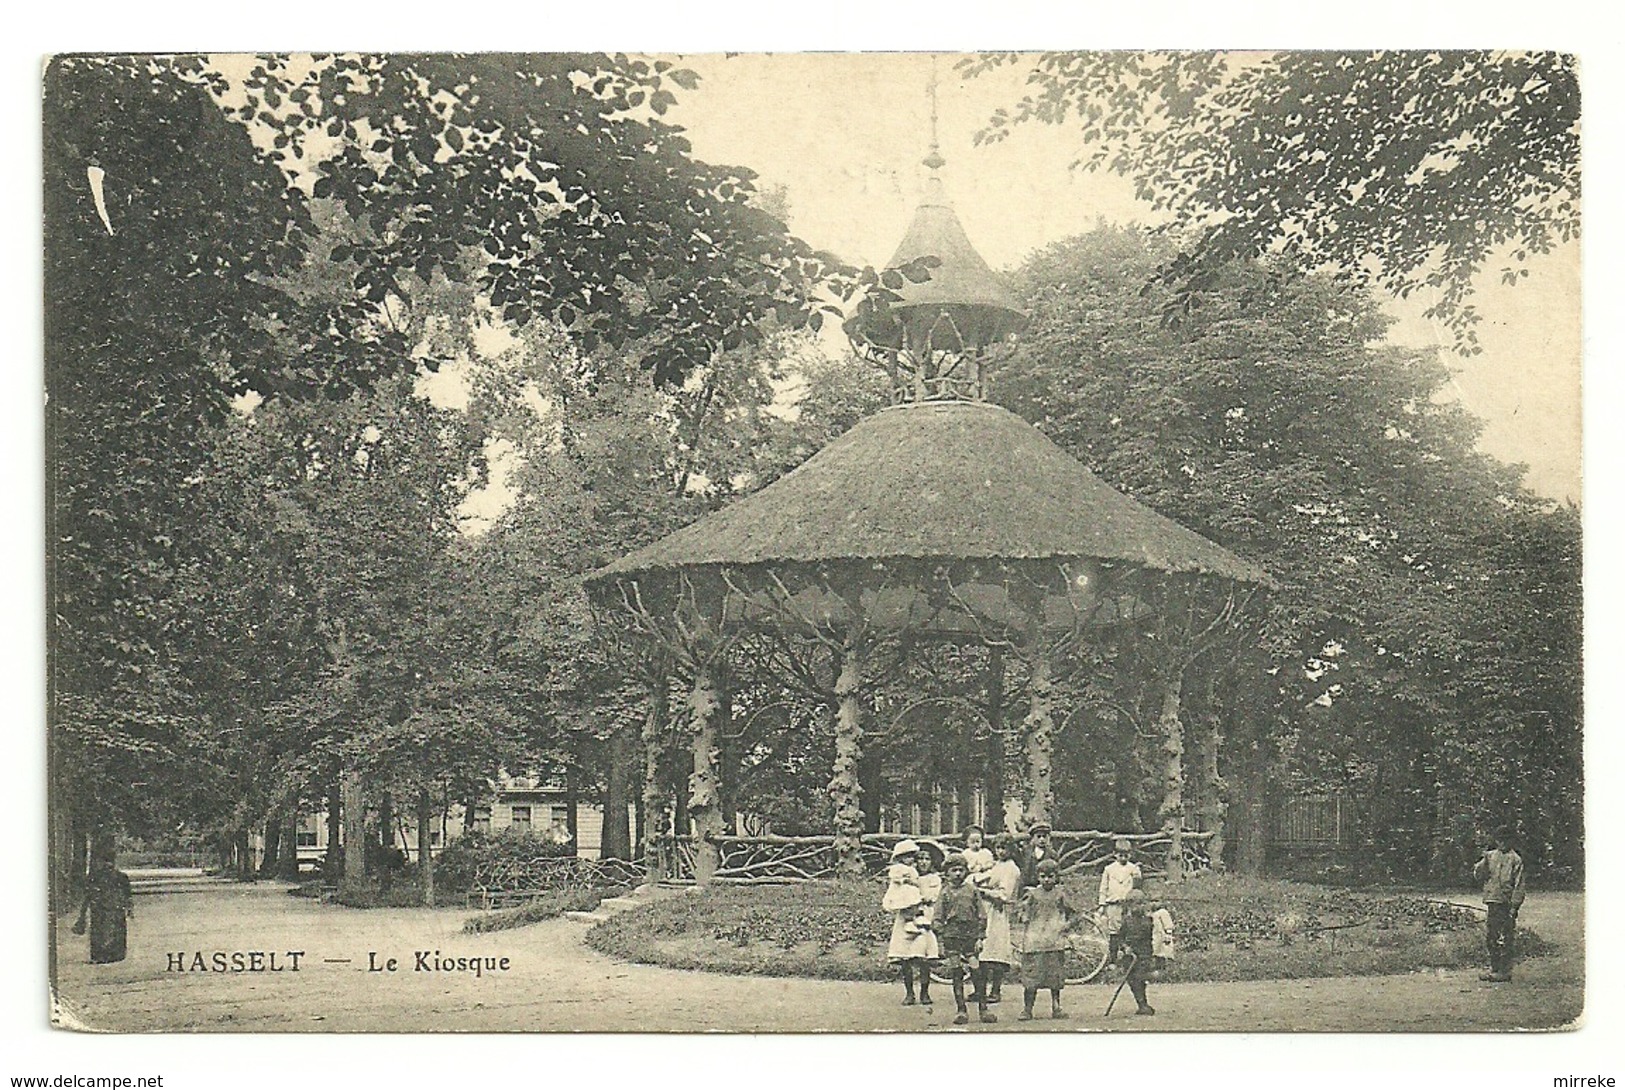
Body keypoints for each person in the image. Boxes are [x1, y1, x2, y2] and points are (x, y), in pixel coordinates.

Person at [935, 853, 995, 1024]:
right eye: (954, 870)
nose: (958, 874)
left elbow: (981, 915)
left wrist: (980, 937)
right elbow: (938, 917)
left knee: (976, 969)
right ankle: (961, 1010)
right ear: (947, 873)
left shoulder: (972, 890)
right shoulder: (945, 892)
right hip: (952, 936)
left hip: (970, 935)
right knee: (956, 972)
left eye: (961, 870)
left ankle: (983, 1009)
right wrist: (940, 937)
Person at [1016, 858, 1077, 1020]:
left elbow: (1074, 913)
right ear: (1038, 877)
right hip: (1034, 942)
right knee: (1031, 978)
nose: (1047, 880)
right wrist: (1023, 916)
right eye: (1043, 876)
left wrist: (1067, 925)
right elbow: (1022, 911)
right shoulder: (1032, 894)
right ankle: (1027, 1009)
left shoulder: (1060, 894)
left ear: (1056, 877)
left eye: (1051, 876)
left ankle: (1056, 1007)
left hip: (1054, 942)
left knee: (1054, 978)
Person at [884, 840, 935, 1005]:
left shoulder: (931, 879)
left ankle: (925, 993)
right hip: (904, 918)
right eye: (917, 858)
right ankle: (909, 993)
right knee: (905, 957)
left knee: (923, 958)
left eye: (915, 857)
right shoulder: (902, 874)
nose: (918, 862)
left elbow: (932, 897)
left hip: (923, 917)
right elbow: (894, 893)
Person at [1473, 825, 1526, 983]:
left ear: (1511, 841)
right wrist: (1480, 864)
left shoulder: (1516, 859)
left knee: (1506, 936)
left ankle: (1505, 970)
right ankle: (1494, 968)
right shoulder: (1490, 856)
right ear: (1496, 841)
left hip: (1507, 903)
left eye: (1506, 840)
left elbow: (1519, 885)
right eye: (1499, 840)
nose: (1502, 843)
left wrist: (1515, 906)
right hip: (1493, 900)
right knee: (1492, 936)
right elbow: (1479, 875)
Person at [975, 833, 1023, 1004]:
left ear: (1011, 849)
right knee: (982, 950)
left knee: (996, 951)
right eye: (998, 848)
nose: (1001, 851)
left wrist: (983, 892)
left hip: (998, 912)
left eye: (1004, 848)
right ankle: (979, 990)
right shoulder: (997, 865)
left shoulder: (1011, 869)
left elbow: (1004, 895)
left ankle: (996, 990)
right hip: (986, 910)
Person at [74, 856, 133, 964]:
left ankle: (105, 954)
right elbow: (127, 894)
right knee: (108, 930)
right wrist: (129, 908)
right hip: (108, 908)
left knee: (104, 931)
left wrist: (83, 912)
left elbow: (88, 894)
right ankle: (112, 954)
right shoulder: (118, 876)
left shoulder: (99, 877)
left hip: (106, 908)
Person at [1115, 889, 1159, 1016]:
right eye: (1135, 904)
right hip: (1130, 956)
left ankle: (1143, 1004)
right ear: (1129, 906)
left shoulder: (1148, 920)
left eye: (1141, 904)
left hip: (1144, 954)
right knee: (1132, 981)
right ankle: (1141, 1004)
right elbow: (1119, 938)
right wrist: (1125, 947)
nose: (1139, 907)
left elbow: (1150, 935)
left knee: (1140, 978)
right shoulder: (1126, 921)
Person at [1098, 837, 1143, 961]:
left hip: (1127, 905)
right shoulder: (1109, 869)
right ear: (1115, 854)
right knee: (1114, 932)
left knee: (1128, 929)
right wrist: (1102, 904)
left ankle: (1127, 958)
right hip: (1113, 904)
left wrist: (1138, 875)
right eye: (1120, 855)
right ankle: (1113, 959)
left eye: (1126, 855)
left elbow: (1137, 886)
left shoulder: (1133, 868)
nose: (1123, 858)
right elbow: (1103, 887)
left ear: (1130, 855)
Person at [1019, 821, 1055, 888]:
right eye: (1038, 836)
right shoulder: (1026, 852)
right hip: (1028, 887)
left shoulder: (1052, 854)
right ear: (1033, 838)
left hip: (1045, 887)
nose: (1042, 839)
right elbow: (1024, 873)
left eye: (1044, 836)